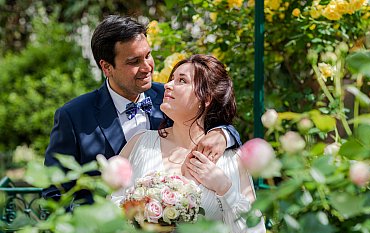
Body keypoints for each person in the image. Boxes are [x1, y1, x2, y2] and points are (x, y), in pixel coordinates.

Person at [43, 15, 240, 204]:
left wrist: (223, 133)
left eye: (148, 55)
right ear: (106, 67)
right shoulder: (73, 116)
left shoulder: (170, 98)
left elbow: (212, 114)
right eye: (134, 61)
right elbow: (55, 194)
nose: (147, 67)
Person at [117, 54, 266, 233]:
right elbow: (111, 212)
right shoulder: (140, 144)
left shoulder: (229, 158)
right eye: (172, 79)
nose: (167, 85)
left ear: (206, 98)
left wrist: (225, 188)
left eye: (182, 81)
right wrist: (139, 225)